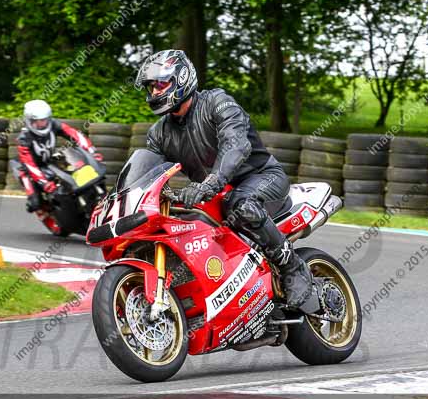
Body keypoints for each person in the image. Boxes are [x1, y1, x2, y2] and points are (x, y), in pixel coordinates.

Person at [135, 50, 320, 314]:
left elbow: (236, 146)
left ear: (181, 79)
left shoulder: (217, 102)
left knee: (241, 204)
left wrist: (210, 183)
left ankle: (293, 267)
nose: (154, 92)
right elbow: (150, 173)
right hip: (215, 195)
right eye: (152, 87)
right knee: (182, 226)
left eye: (160, 85)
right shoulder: (159, 133)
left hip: (261, 177)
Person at [14, 99, 103, 234]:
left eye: (45, 120)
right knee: (35, 202)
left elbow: (75, 134)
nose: (42, 124)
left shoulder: (54, 124)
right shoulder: (24, 138)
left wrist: (92, 151)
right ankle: (48, 218)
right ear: (29, 120)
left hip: (49, 161)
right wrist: (44, 183)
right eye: (38, 121)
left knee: (74, 176)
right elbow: (29, 164)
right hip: (28, 170)